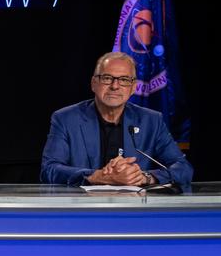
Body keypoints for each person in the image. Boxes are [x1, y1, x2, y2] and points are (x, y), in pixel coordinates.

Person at [41, 52, 192, 187]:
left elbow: (183, 168)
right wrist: (97, 176)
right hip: (83, 210)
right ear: (94, 83)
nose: (115, 86)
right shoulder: (66, 119)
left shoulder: (151, 121)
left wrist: (145, 177)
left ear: (133, 87)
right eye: (107, 78)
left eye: (124, 80)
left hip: (135, 210)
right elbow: (49, 170)